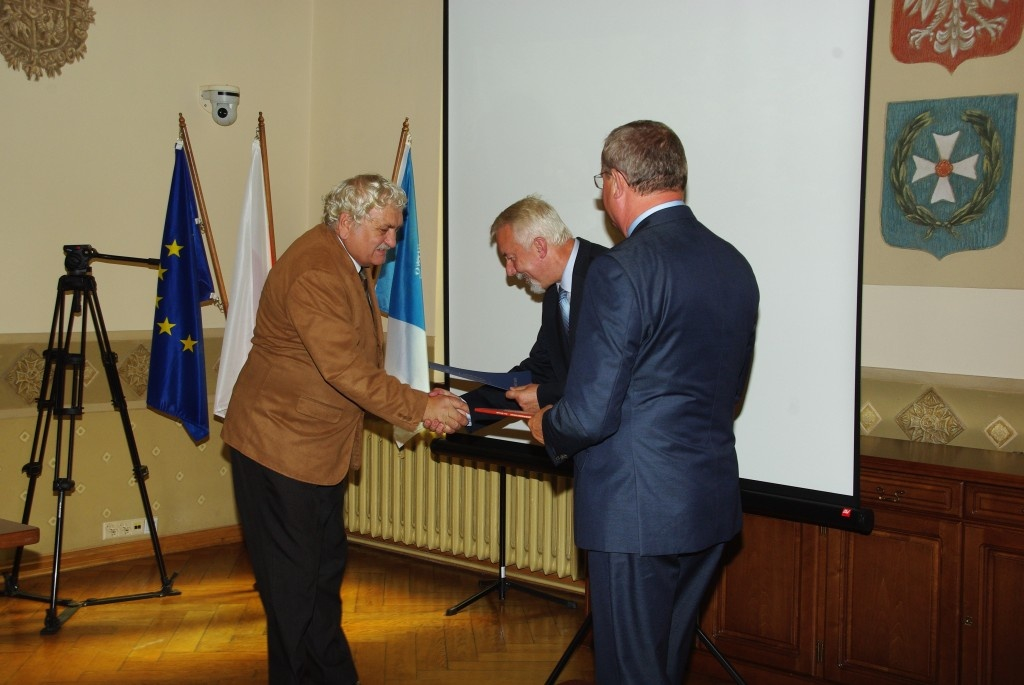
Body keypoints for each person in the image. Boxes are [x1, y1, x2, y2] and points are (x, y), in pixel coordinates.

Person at [528, 120, 760, 684]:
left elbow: (589, 413)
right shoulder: (735, 265)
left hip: (635, 513)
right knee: (664, 667)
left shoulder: (619, 269)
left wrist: (546, 426)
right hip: (705, 505)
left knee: (632, 673)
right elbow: (729, 395)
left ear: (615, 184)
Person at [221, 174, 468, 685]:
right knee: (294, 590)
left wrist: (423, 399)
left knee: (320, 578)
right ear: (347, 221)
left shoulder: (346, 260)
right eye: (384, 230)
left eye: (396, 231)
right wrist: (422, 407)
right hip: (278, 448)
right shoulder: (317, 270)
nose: (393, 242)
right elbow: (346, 372)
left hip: (312, 450)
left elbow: (358, 366)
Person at [461, 195, 608, 427]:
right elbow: (540, 369)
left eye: (511, 257)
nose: (510, 271)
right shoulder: (554, 294)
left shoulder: (609, 276)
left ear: (539, 246)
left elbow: (609, 379)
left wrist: (543, 396)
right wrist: (465, 410)